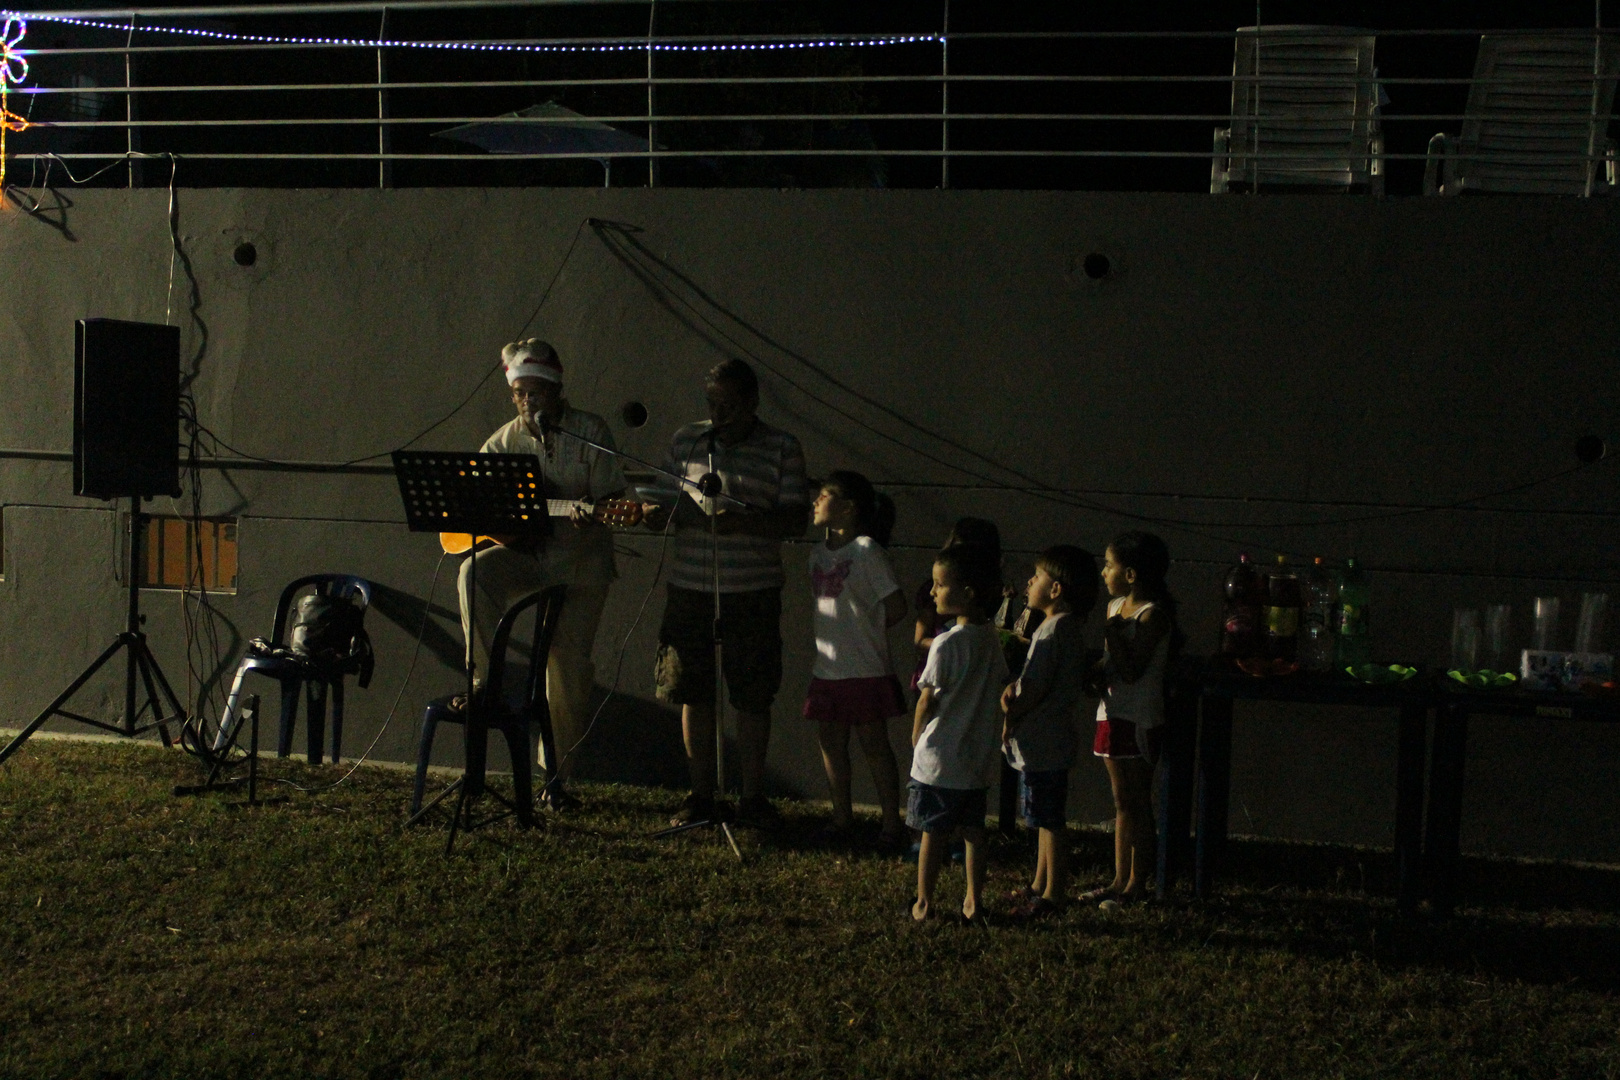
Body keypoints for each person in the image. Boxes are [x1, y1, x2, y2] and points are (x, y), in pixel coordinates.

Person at [456, 339, 627, 810]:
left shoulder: (591, 431)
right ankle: (483, 682)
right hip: (527, 557)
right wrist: (501, 520)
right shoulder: (501, 442)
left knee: (565, 670)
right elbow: (479, 502)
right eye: (520, 394)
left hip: (580, 565)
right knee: (474, 570)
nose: (529, 402)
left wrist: (596, 511)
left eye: (537, 392)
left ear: (556, 390)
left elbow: (615, 498)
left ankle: (555, 778)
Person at [641, 359, 809, 829]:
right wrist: (657, 513)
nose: (719, 415)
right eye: (712, 404)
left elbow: (797, 519)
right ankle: (700, 795)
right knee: (692, 688)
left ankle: (752, 798)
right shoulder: (686, 441)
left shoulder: (782, 447)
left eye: (729, 405)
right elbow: (662, 497)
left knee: (752, 692)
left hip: (751, 589)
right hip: (692, 585)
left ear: (753, 402)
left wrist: (747, 522)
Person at [804, 471, 907, 849]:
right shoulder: (817, 553)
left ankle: (891, 824)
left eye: (824, 494)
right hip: (827, 668)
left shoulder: (867, 551)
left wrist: (865, 632)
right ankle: (841, 817)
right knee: (831, 741)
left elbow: (895, 605)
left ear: (847, 508)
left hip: (864, 668)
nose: (815, 500)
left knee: (873, 744)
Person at [908, 543, 1008, 924]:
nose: (932, 592)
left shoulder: (947, 643)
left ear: (967, 592)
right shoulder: (990, 640)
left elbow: (927, 698)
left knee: (933, 833)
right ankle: (973, 900)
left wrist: (917, 737)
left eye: (938, 585)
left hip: (939, 760)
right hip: (975, 759)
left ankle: (924, 902)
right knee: (972, 832)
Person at [999, 545, 1098, 920]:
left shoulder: (1052, 630)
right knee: (1041, 816)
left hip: (1043, 741)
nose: (1029, 582)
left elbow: (1036, 685)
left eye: (1037, 576)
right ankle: (1039, 885)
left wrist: (1011, 704)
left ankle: (1054, 893)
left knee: (1050, 819)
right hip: (1051, 739)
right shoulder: (1067, 629)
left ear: (1055, 589)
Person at [1087, 531, 1181, 909]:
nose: (1103, 571)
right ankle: (1117, 878)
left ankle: (1137, 883)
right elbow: (1112, 667)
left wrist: (1113, 636)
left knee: (1137, 801)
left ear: (1131, 574)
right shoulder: (1114, 607)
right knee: (1120, 799)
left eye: (1109, 565)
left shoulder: (1153, 616)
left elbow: (1132, 669)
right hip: (1111, 713)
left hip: (1139, 717)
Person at [911, 518, 1001, 692]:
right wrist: (954, 647)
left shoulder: (989, 634)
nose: (933, 591)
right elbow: (919, 641)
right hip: (933, 679)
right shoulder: (936, 593)